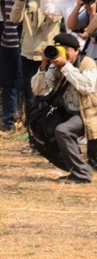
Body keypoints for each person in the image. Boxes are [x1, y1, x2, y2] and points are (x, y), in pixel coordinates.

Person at [29, 31, 97, 183]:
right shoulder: (56, 66)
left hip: (88, 113)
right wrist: (44, 66)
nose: (62, 52)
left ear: (76, 51)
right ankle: (77, 168)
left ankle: (81, 174)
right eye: (59, 48)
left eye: (66, 49)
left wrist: (66, 66)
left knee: (63, 131)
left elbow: (86, 87)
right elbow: (39, 90)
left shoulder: (87, 63)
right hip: (67, 111)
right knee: (41, 132)